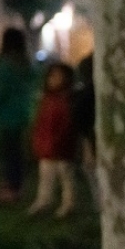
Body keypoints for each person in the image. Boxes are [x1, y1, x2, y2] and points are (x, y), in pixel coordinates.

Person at [0, 27, 34, 204]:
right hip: (21, 113)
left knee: (9, 153)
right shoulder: (26, 63)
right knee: (16, 152)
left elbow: (1, 91)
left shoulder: (5, 64)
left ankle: (11, 188)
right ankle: (16, 185)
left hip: (6, 115)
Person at [27, 62, 77, 219]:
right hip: (47, 146)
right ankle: (43, 201)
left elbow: (67, 125)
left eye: (58, 77)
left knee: (65, 175)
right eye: (52, 76)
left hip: (62, 146)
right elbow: (41, 123)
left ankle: (69, 204)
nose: (54, 80)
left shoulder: (67, 101)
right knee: (46, 175)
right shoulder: (47, 100)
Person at [71, 52, 100, 210]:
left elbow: (80, 120)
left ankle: (100, 204)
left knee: (93, 170)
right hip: (93, 137)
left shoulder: (85, 95)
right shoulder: (96, 92)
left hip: (91, 138)